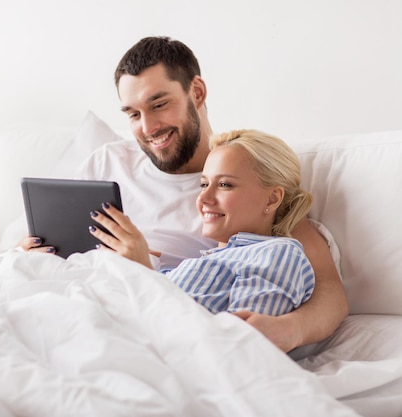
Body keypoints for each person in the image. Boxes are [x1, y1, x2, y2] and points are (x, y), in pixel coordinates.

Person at [22, 36, 348, 352]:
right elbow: (45, 248)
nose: (148, 127)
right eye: (133, 114)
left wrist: (289, 330)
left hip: (141, 324)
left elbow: (329, 290)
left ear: (197, 92)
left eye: (159, 104)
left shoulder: (243, 182)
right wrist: (31, 255)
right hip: (71, 303)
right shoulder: (107, 161)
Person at [88, 129, 316, 317]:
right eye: (204, 184)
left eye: (225, 185)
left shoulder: (277, 255)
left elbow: (240, 346)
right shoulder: (198, 263)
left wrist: (144, 274)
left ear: (273, 198)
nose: (203, 199)